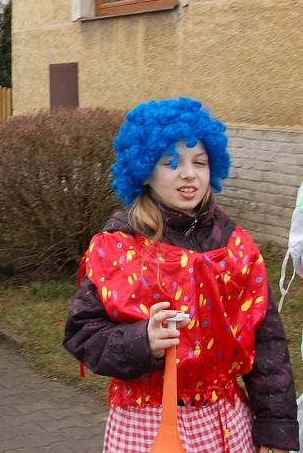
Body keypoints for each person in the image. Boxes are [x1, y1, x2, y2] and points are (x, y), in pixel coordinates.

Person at [63, 98, 299, 453]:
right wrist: (142, 341)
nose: (188, 173)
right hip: (147, 422)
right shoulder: (117, 249)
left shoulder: (236, 247)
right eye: (170, 162)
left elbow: (267, 345)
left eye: (200, 162)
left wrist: (275, 428)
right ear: (143, 171)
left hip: (226, 421)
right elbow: (82, 334)